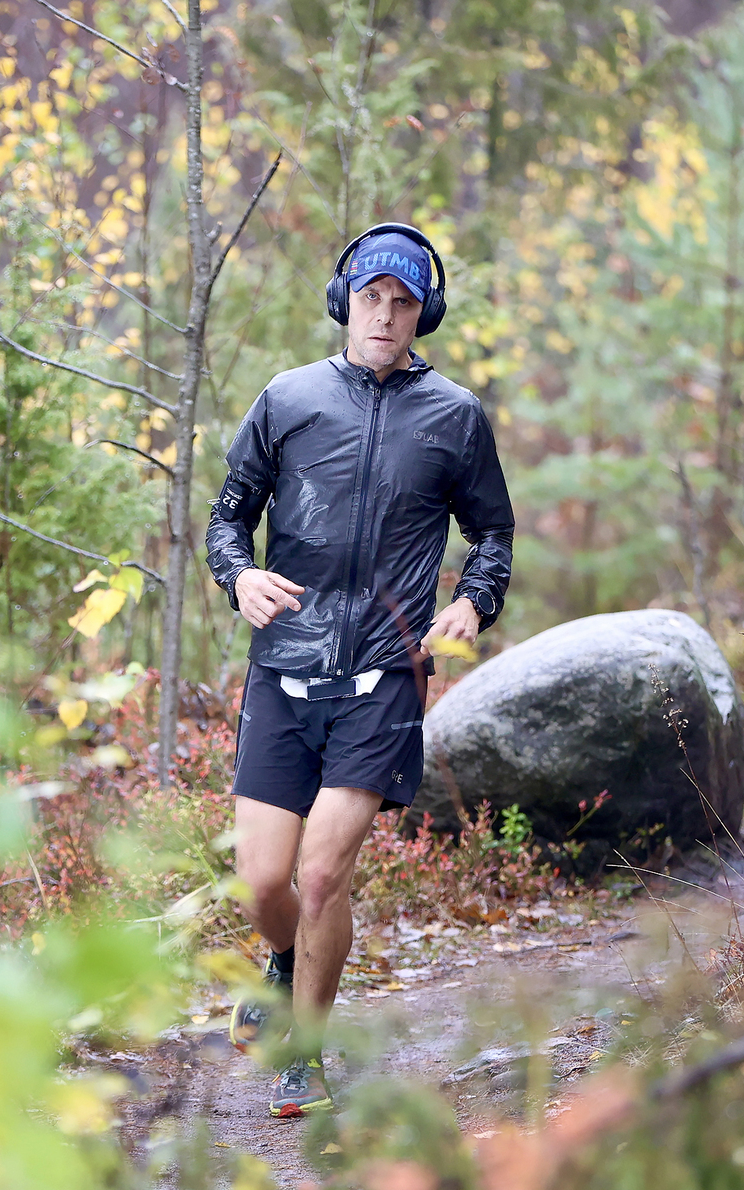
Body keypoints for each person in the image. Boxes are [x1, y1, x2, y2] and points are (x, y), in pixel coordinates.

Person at [203, 223, 515, 1118]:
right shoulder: (287, 398)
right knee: (266, 881)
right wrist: (241, 575)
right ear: (346, 302)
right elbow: (228, 519)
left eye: (403, 301)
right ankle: (285, 962)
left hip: (384, 672)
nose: (385, 315)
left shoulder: (454, 415)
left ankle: (305, 1051)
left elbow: (491, 531)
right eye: (372, 297)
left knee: (323, 873)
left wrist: (472, 601)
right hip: (284, 670)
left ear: (425, 313)